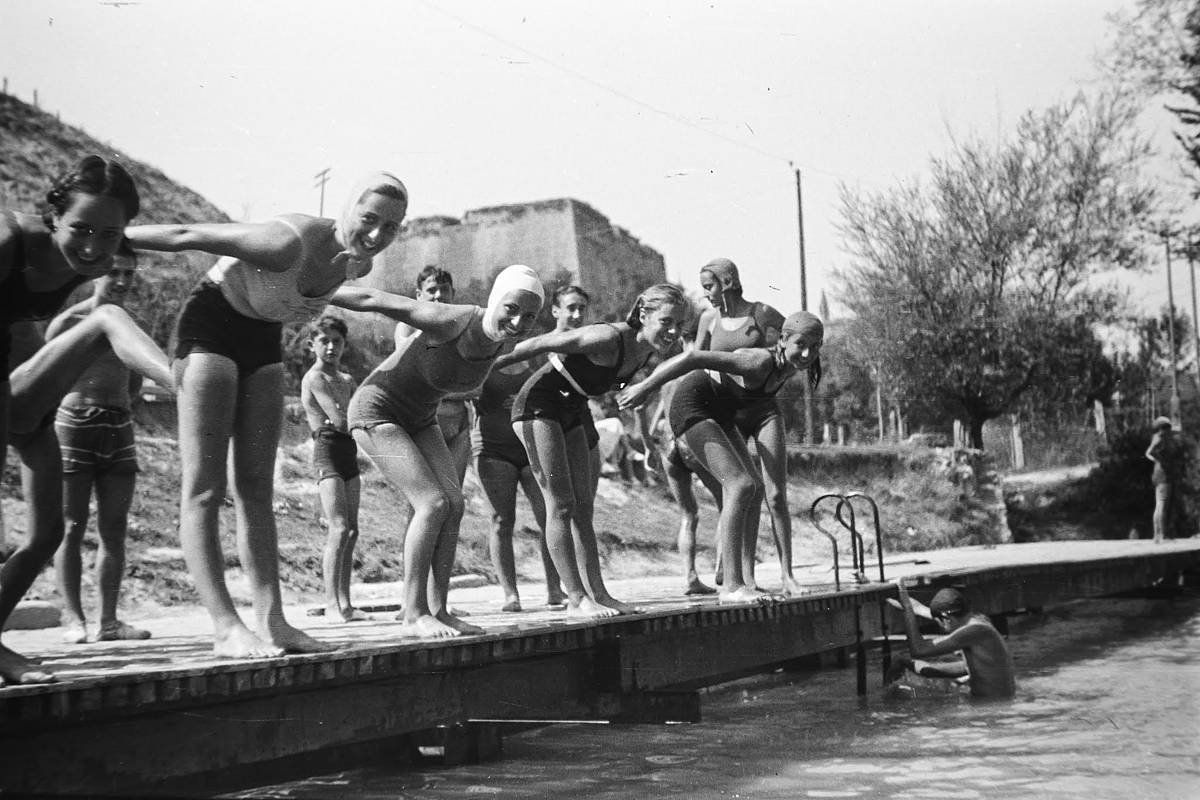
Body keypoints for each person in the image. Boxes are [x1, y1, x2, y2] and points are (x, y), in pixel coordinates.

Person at [124, 171, 409, 658]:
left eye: (391, 228)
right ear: (346, 207)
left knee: (256, 487)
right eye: (369, 220)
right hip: (210, 325)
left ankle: (274, 622)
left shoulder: (356, 265)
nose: (378, 235)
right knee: (205, 486)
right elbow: (185, 236)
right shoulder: (286, 241)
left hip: (261, 338)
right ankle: (224, 626)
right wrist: (103, 236)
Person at [1, 155, 173, 684]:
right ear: (53, 217)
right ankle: (188, 387)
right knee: (106, 319)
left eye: (109, 234)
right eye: (81, 230)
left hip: (18, 387)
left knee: (49, 531)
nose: (94, 248)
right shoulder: (10, 240)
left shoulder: (88, 260)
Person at [336, 264, 544, 638]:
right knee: (431, 504)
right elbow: (375, 299)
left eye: (529, 317)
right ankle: (413, 613)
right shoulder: (456, 320)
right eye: (510, 308)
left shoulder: (502, 342)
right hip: (376, 411)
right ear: (495, 300)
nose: (516, 321)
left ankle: (439, 609)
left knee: (455, 504)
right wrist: (313, 291)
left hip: (420, 418)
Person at [497, 283, 688, 618]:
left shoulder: (645, 351)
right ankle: (575, 597)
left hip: (572, 409)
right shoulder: (605, 337)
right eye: (666, 322)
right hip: (537, 406)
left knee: (583, 508)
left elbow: (631, 399)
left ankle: (598, 593)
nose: (672, 332)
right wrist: (474, 366)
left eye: (678, 325)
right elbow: (537, 344)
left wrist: (646, 441)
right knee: (561, 505)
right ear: (643, 315)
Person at [618, 310, 823, 603]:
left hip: (719, 412)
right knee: (739, 486)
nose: (807, 353)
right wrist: (645, 386)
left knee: (753, 488)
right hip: (692, 407)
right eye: (801, 344)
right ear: (783, 339)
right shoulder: (757, 361)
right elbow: (692, 358)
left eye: (815, 347)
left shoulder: (788, 366)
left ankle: (740, 578)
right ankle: (731, 586)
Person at [48, 255, 152, 644]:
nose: (122, 281)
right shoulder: (70, 323)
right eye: (115, 272)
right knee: (70, 526)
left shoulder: (131, 327)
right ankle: (73, 619)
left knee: (114, 529)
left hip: (119, 426)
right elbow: (47, 374)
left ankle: (108, 621)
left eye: (129, 273)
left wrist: (116, 404)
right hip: (74, 426)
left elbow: (137, 382)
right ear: (96, 273)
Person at [696, 258, 802, 595]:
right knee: (745, 492)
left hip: (764, 410)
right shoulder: (708, 319)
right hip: (729, 412)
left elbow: (798, 340)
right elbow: (695, 364)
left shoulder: (763, 312)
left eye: (709, 287)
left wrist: (785, 371)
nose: (706, 295)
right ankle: (746, 576)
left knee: (775, 494)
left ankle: (787, 575)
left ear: (727, 282)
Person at [300, 315, 366, 623]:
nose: (330, 347)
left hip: (348, 453)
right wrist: (344, 419)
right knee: (338, 528)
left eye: (336, 341)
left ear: (344, 344)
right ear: (311, 345)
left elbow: (350, 416)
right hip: (327, 451)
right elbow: (340, 421)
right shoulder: (314, 379)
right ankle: (330, 603)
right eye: (324, 341)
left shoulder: (347, 380)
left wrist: (345, 418)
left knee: (352, 531)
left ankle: (346, 603)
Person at [396, 267, 474, 486]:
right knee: (428, 497)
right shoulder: (408, 326)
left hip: (458, 422)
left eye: (444, 289)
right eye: (432, 290)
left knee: (453, 495)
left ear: (453, 293)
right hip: (425, 419)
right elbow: (412, 377)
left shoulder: (463, 328)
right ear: (419, 294)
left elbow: (478, 384)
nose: (439, 295)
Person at [886, 582, 1016, 700]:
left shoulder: (974, 630)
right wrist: (894, 595)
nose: (940, 627)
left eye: (939, 623)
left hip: (991, 707)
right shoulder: (977, 621)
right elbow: (920, 609)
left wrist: (907, 608)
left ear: (947, 620)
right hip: (993, 702)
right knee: (925, 673)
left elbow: (918, 650)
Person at [1146, 416, 1188, 542]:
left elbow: (1149, 453)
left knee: (1160, 504)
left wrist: (1157, 459)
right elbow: (1149, 452)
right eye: (1168, 428)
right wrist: (1159, 459)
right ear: (1164, 429)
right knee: (1162, 505)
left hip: (1158, 474)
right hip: (1164, 474)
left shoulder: (1157, 438)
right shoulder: (1161, 439)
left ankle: (1157, 535)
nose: (1170, 430)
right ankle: (1161, 535)